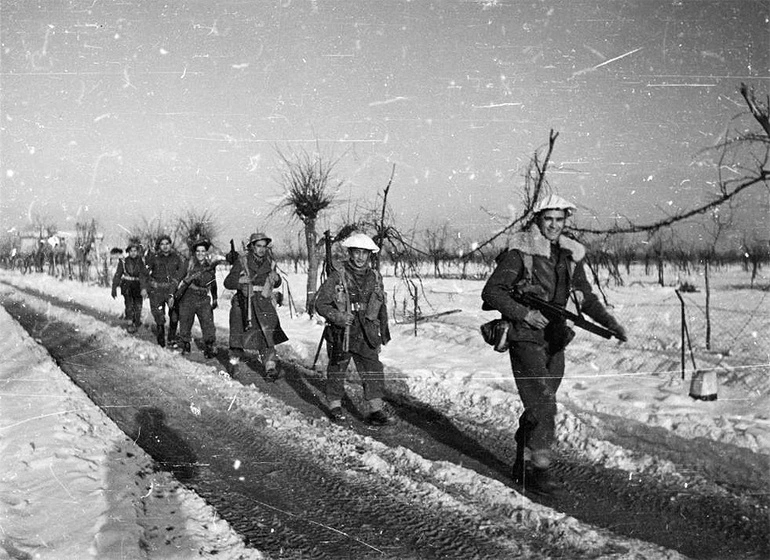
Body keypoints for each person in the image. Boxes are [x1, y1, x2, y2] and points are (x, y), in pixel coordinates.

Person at [481, 194, 627, 495]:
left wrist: (609, 323)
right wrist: (525, 313)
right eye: (548, 219)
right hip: (524, 336)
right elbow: (492, 292)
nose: (554, 225)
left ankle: (522, 460)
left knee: (539, 405)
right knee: (546, 405)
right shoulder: (521, 252)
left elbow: (585, 297)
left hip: (556, 339)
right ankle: (540, 468)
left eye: (560, 220)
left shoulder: (569, 256)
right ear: (538, 219)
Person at [314, 232, 393, 426]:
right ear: (350, 253)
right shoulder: (338, 276)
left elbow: (381, 305)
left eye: (364, 253)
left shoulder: (375, 276)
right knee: (337, 368)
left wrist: (383, 332)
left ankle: (375, 410)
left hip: (367, 330)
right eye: (356, 252)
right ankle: (334, 405)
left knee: (373, 369)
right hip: (344, 332)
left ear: (369, 255)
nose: (360, 257)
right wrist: (339, 317)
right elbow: (321, 304)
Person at [223, 232, 288, 381]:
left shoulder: (269, 262)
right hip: (244, 302)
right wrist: (240, 282)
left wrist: (276, 279)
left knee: (267, 334)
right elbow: (228, 282)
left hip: (263, 302)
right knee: (237, 333)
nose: (261, 250)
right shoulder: (242, 261)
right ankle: (234, 362)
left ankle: (270, 367)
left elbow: (276, 282)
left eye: (264, 247)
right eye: (258, 246)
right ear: (252, 247)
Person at [174, 238, 218, 358]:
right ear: (194, 252)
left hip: (204, 297)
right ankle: (185, 343)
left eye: (203, 251)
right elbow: (178, 278)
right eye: (198, 251)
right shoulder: (188, 264)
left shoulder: (210, 266)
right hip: (189, 296)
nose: (200, 254)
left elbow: (213, 283)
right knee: (186, 321)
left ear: (206, 252)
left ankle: (209, 345)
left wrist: (215, 298)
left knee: (208, 322)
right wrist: (172, 293)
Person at [142, 235, 185, 348]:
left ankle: (171, 338)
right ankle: (161, 339)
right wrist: (144, 288)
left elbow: (182, 271)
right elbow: (144, 273)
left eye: (167, 243)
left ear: (170, 245)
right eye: (162, 244)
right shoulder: (154, 258)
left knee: (175, 315)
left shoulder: (176, 258)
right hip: (157, 291)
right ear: (159, 246)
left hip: (172, 290)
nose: (165, 246)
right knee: (159, 316)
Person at [111, 242, 147, 333]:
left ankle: (136, 322)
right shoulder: (123, 262)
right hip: (127, 286)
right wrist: (114, 287)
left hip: (138, 285)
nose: (133, 253)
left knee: (138, 305)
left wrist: (144, 288)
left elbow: (144, 275)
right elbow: (118, 274)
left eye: (135, 251)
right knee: (129, 305)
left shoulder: (141, 262)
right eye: (131, 251)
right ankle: (130, 322)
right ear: (128, 252)